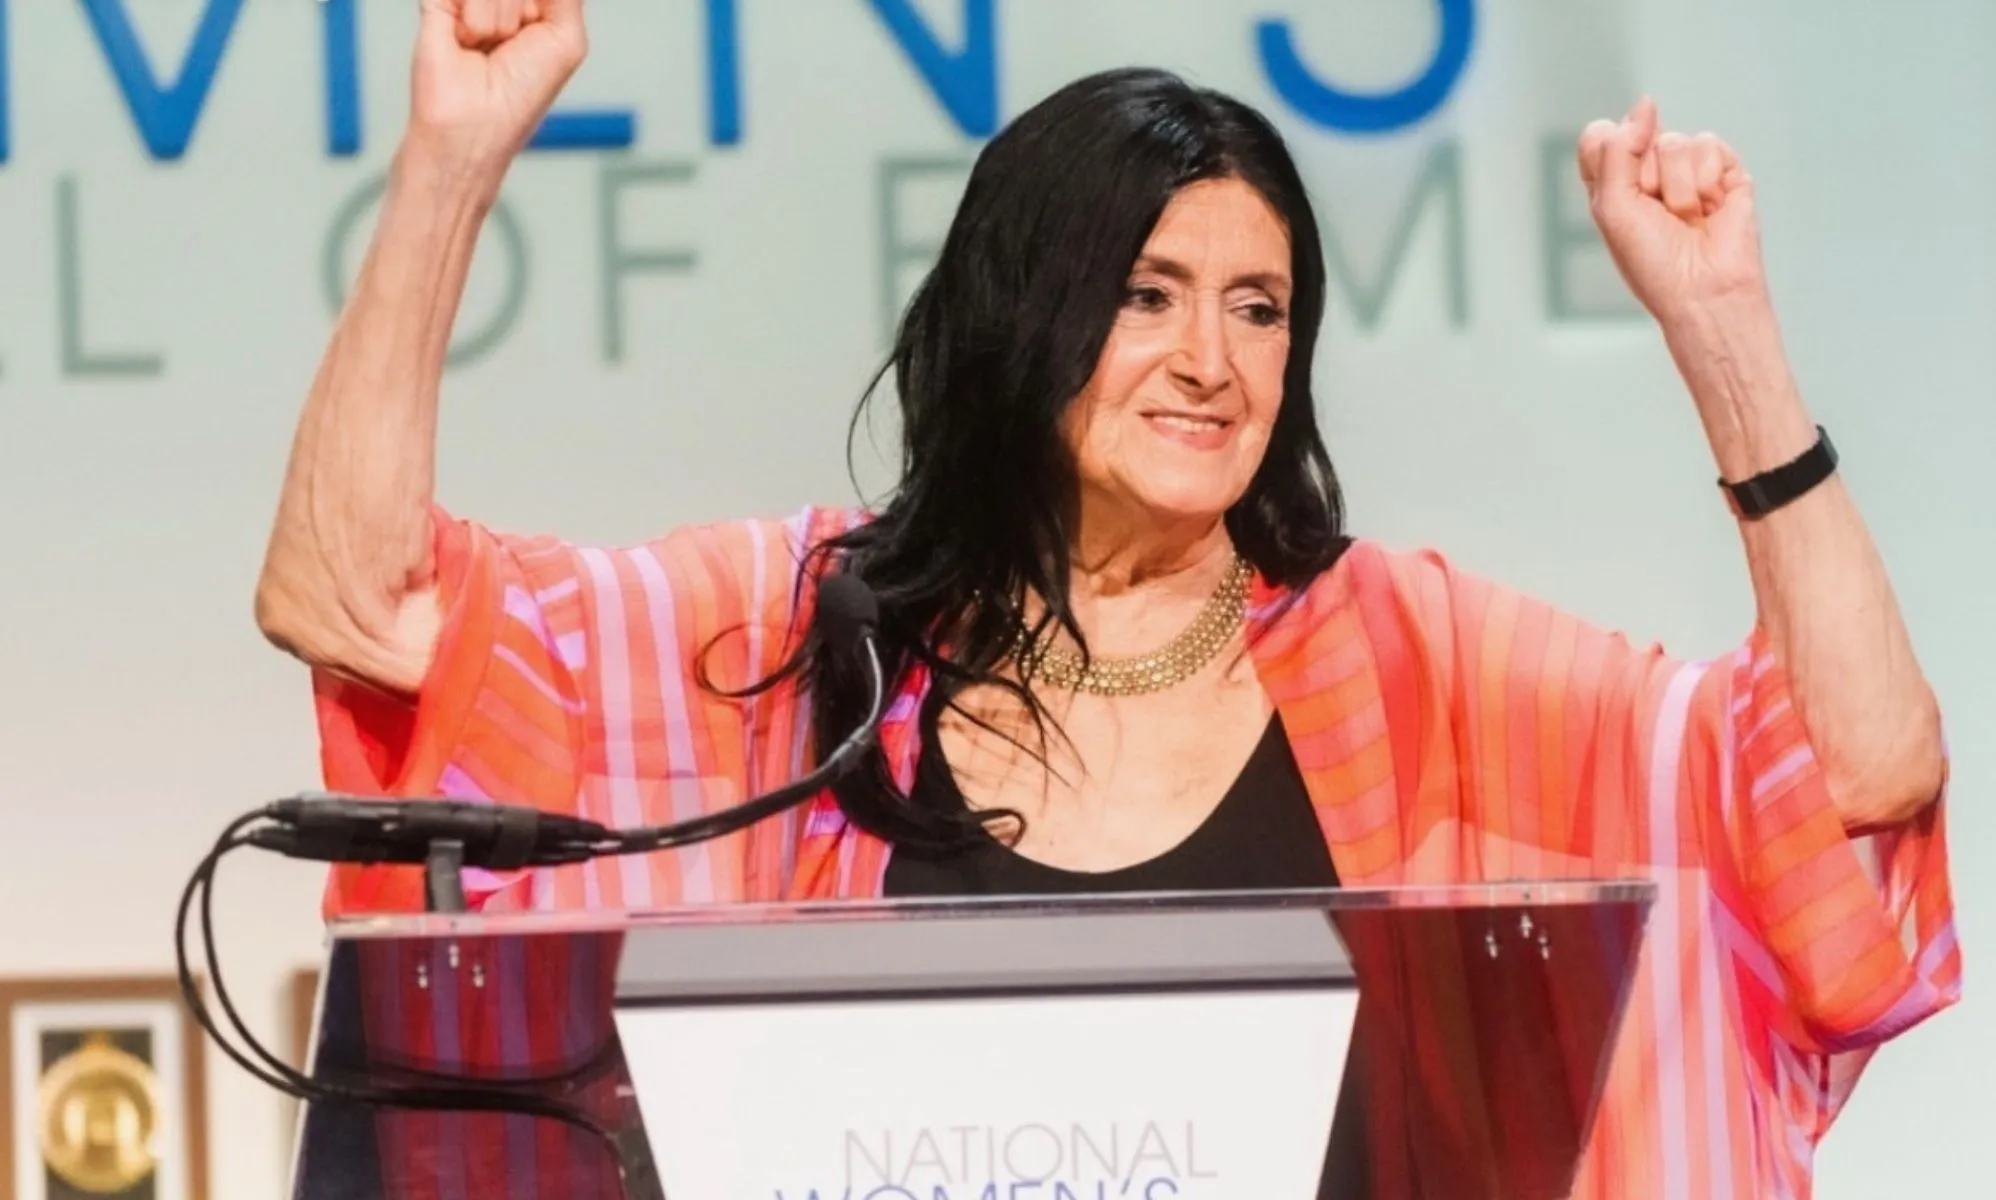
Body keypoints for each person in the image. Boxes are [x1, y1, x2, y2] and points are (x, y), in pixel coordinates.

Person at [255, 1, 1958, 1196]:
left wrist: (1729, 343)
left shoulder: (1415, 664)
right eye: (1149, 295)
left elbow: (1853, 786)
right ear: (1027, 312)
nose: (1213, 364)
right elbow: (357, 600)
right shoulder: (790, 646)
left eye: (1261, 308)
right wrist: (450, 160)